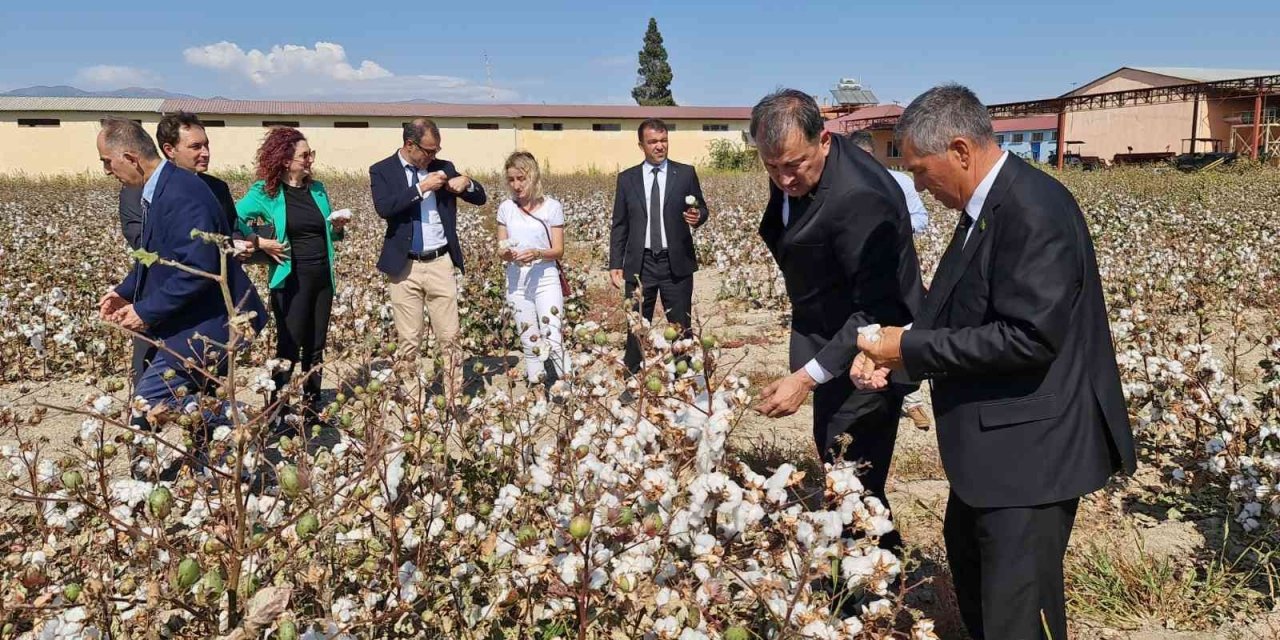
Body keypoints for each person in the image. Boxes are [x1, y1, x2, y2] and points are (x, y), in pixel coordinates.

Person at [853, 84, 1136, 640]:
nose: (918, 185)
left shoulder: (1033, 209)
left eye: (920, 170)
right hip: (995, 453)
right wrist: (898, 354)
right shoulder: (986, 208)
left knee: (1017, 615)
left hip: (1031, 456)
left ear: (960, 150)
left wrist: (906, 348)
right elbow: (965, 315)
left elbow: (1027, 337)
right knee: (980, 582)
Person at [751, 89, 924, 554]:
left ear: (824, 140)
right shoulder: (795, 165)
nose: (784, 178)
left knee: (853, 470)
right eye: (772, 167)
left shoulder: (861, 198)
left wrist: (805, 378)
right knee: (837, 459)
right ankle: (868, 570)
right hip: (823, 321)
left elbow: (875, 309)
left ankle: (874, 583)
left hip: (869, 344)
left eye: (794, 165)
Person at [95, 116, 266, 418]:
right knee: (187, 406)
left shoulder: (181, 193)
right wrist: (124, 291)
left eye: (108, 162)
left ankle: (236, 419)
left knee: (145, 407)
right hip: (195, 321)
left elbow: (197, 268)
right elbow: (158, 256)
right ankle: (223, 435)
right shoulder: (161, 188)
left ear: (131, 158)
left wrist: (144, 311)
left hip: (209, 324)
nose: (107, 171)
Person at [236, 127, 347, 420]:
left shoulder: (318, 188)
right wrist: (259, 241)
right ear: (285, 160)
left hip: (322, 277)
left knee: (316, 345)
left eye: (311, 154)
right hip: (291, 279)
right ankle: (277, 410)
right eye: (305, 155)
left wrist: (337, 228)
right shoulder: (265, 192)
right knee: (288, 346)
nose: (310, 160)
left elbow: (326, 233)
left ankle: (311, 409)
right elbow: (232, 217)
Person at [370, 118, 487, 371]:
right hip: (405, 267)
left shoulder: (444, 167)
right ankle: (413, 403)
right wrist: (421, 188)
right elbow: (384, 207)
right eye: (429, 150)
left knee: (450, 337)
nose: (433, 155)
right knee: (409, 341)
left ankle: (453, 400)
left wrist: (467, 182)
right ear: (410, 145)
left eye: (436, 150)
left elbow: (480, 198)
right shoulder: (382, 170)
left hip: (440, 263)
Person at [608, 118, 708, 375]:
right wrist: (615, 264)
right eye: (653, 142)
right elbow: (619, 224)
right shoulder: (627, 179)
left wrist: (698, 217)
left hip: (675, 262)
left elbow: (701, 208)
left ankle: (682, 377)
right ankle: (633, 376)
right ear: (641, 145)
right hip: (640, 265)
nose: (660, 146)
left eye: (664, 140)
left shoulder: (685, 173)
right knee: (636, 323)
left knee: (681, 324)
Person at [849, 130, 932, 430]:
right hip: (860, 273)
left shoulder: (900, 182)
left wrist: (892, 227)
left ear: (873, 156)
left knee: (904, 324)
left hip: (899, 267)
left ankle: (911, 400)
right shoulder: (844, 187)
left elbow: (921, 217)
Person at [496, 151, 570, 383]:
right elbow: (501, 249)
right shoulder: (506, 209)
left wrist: (538, 253)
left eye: (521, 178)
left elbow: (558, 250)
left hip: (545, 278)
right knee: (529, 338)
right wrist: (508, 254)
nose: (516, 185)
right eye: (511, 179)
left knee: (553, 336)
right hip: (516, 280)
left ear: (533, 177)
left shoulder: (552, 207)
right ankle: (537, 389)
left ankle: (568, 387)